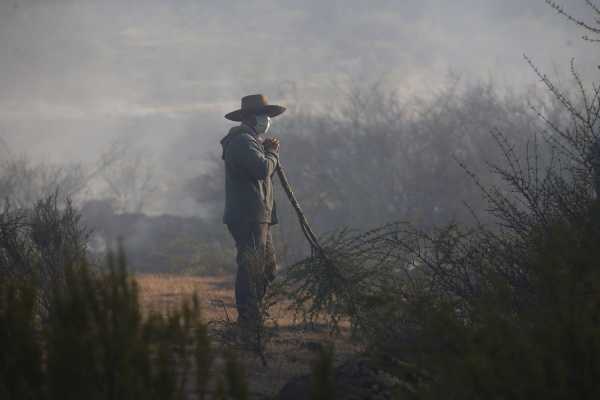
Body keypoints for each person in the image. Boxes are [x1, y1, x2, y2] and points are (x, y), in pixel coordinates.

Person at [220, 94, 286, 331]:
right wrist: (273, 153)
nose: (266, 120)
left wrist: (268, 152)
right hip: (248, 217)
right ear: (249, 117)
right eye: (262, 115)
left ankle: (253, 316)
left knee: (267, 268)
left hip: (258, 217)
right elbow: (261, 169)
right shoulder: (241, 141)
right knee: (250, 268)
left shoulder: (252, 140)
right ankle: (248, 322)